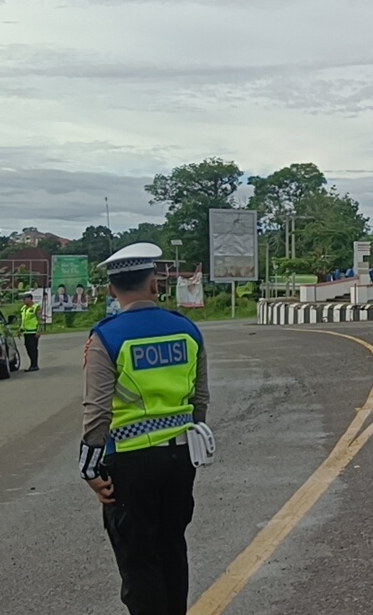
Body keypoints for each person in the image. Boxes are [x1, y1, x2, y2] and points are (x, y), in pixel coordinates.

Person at [78, 242, 212, 615]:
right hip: (181, 457)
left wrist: (89, 467)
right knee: (172, 548)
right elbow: (200, 399)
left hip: (131, 465)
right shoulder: (186, 329)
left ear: (111, 290)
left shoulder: (106, 337)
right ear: (154, 284)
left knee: (139, 560)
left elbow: (97, 409)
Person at [19, 292, 42, 371]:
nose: (23, 301)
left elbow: (40, 320)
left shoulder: (36, 307)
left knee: (33, 349)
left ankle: (34, 365)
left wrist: (39, 331)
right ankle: (32, 364)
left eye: (24, 299)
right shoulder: (23, 308)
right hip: (26, 332)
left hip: (33, 332)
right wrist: (20, 330)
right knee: (28, 348)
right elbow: (23, 321)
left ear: (30, 299)